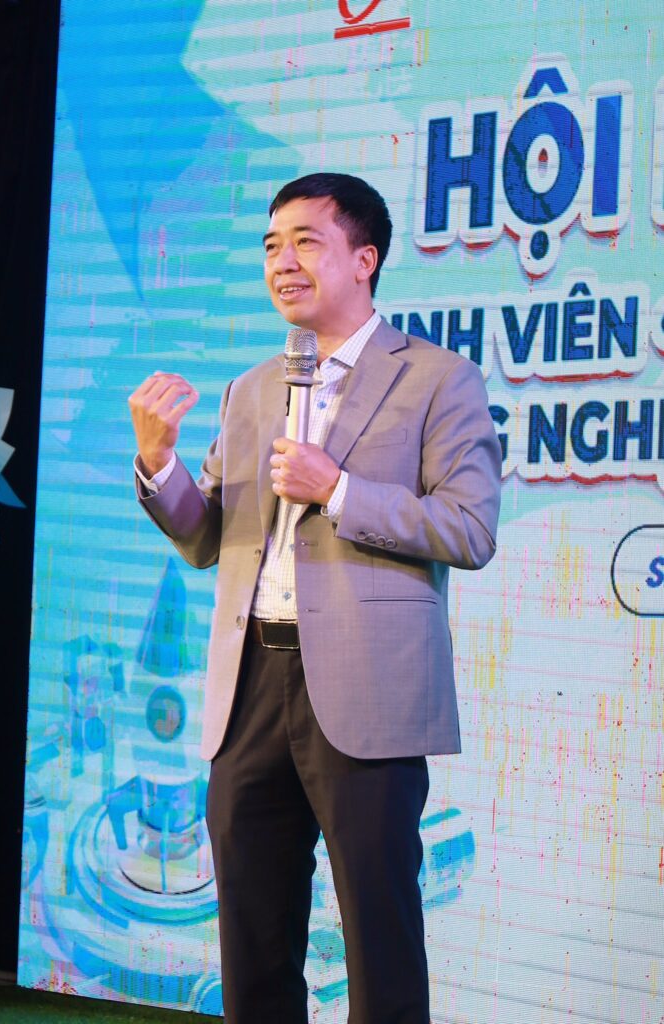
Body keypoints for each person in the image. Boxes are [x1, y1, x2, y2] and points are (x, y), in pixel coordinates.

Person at [128, 172, 501, 1024]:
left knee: (378, 932)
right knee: (252, 934)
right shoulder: (252, 387)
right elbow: (203, 536)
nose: (282, 262)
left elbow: (470, 527)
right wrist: (157, 461)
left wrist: (337, 490)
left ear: (364, 260)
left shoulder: (438, 378)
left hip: (367, 688)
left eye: (305, 242)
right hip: (250, 686)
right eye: (270, 245)